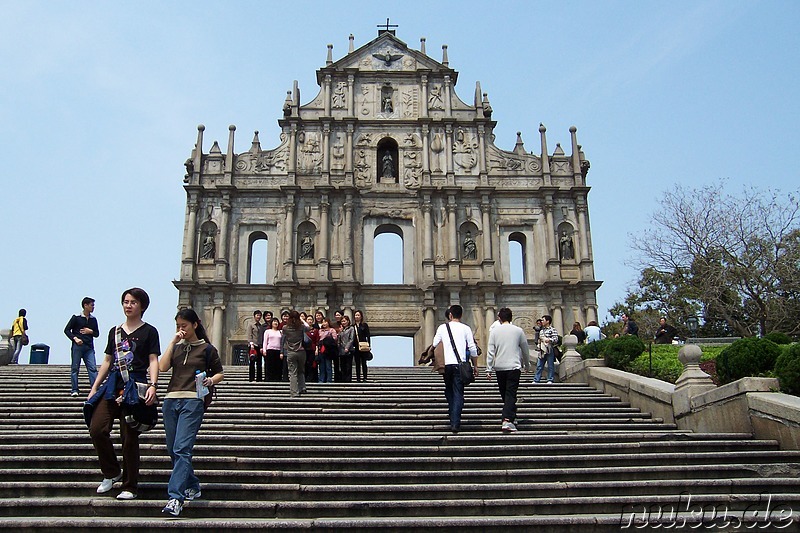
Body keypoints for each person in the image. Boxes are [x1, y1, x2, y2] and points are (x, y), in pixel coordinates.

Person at [88, 288, 160, 501]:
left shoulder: (149, 331)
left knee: (129, 438)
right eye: (126, 302)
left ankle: (130, 485)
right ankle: (111, 472)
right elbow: (108, 360)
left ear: (142, 306)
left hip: (135, 385)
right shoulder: (115, 331)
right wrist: (94, 387)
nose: (128, 305)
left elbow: (153, 360)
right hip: (112, 385)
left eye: (133, 302)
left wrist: (153, 385)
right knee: (97, 429)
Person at [158, 308, 223, 517]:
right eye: (178, 326)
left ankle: (175, 497)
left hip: (192, 401)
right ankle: (192, 484)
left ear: (195, 325)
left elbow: (219, 372)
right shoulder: (176, 347)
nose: (181, 330)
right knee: (173, 449)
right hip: (171, 400)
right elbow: (163, 367)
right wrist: (172, 341)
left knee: (182, 448)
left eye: (184, 326)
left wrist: (211, 380)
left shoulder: (207, 349)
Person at [431, 305, 478, 433]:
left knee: (449, 390)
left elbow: (434, 344)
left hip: (446, 365)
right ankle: (455, 422)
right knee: (458, 392)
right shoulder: (466, 328)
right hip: (460, 364)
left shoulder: (442, 327)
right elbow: (473, 349)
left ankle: (453, 416)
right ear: (461, 315)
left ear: (450, 315)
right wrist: (475, 365)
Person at [486, 307, 530, 433]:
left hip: (499, 367)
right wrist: (526, 365)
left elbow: (490, 351)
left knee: (505, 393)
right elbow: (525, 349)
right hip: (513, 366)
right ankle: (507, 419)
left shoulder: (494, 331)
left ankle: (510, 416)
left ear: (499, 318)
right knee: (510, 393)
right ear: (511, 317)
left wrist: (489, 369)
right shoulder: (518, 330)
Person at [64, 297, 100, 397]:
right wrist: (75, 338)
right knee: (75, 368)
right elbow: (66, 330)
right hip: (78, 346)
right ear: (85, 305)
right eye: (91, 305)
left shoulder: (93, 319)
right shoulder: (76, 317)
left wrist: (91, 331)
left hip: (89, 347)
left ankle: (94, 389)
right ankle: (74, 389)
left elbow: (97, 333)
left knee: (92, 368)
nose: (93, 307)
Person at [281, 310, 307, 397]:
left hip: (291, 351)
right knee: (301, 370)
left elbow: (283, 338)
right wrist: (302, 320)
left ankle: (294, 392)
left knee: (292, 373)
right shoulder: (301, 327)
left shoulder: (285, 328)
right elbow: (308, 327)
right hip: (301, 351)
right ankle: (302, 388)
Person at [534, 314, 558, 384]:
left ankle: (550, 379)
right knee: (539, 365)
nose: (542, 321)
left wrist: (548, 340)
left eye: (543, 320)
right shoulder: (541, 331)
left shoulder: (552, 329)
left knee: (550, 365)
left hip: (549, 349)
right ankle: (536, 379)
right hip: (542, 349)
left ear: (547, 321)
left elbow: (556, 339)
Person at [317, 318, 337, 383]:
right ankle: (321, 379)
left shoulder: (332, 330)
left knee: (328, 365)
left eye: (325, 322)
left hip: (329, 350)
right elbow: (318, 340)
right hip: (321, 350)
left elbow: (335, 338)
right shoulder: (320, 331)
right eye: (323, 322)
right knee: (321, 366)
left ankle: (329, 379)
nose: (324, 323)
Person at [353, 310, 371, 382]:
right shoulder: (352, 326)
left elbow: (368, 336)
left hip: (364, 346)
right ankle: (358, 378)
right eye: (356, 315)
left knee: (364, 362)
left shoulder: (364, 325)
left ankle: (365, 377)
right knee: (357, 363)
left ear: (361, 316)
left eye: (358, 315)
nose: (357, 317)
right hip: (356, 347)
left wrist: (369, 345)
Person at [338, 315, 355, 382]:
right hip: (341, 349)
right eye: (342, 321)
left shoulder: (351, 328)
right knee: (342, 366)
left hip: (349, 350)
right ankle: (343, 379)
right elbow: (339, 339)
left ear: (348, 321)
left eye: (344, 321)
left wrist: (347, 347)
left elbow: (351, 339)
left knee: (348, 366)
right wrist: (340, 332)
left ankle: (348, 380)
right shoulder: (342, 330)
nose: (343, 322)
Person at [247, 310, 263, 382]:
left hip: (259, 345)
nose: (258, 317)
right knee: (252, 362)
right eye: (257, 315)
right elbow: (249, 334)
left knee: (259, 362)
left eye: (259, 315)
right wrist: (251, 343)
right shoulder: (251, 324)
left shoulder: (260, 325)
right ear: (254, 316)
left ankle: (259, 378)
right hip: (253, 345)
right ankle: (251, 378)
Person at [304, 314, 319, 383]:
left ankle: (312, 378)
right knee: (305, 363)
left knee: (312, 364)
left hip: (312, 349)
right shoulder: (304, 330)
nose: (310, 321)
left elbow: (317, 341)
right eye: (308, 319)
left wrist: (316, 349)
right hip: (304, 349)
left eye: (311, 320)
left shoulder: (315, 330)